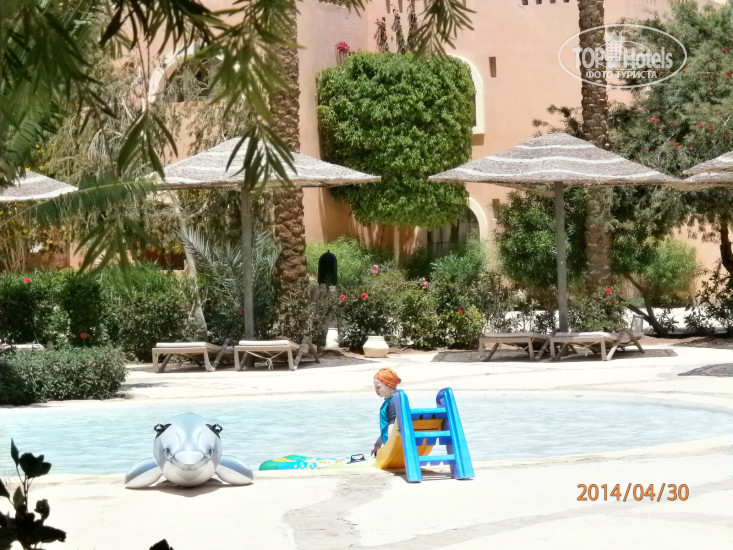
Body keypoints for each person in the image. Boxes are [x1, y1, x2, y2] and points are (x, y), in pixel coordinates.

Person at [371, 368, 401, 457]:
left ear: (389, 386)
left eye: (378, 387)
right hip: (393, 445)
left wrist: (390, 447)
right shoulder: (391, 401)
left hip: (393, 447)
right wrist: (378, 443)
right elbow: (386, 428)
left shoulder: (392, 403)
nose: (376, 390)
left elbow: (392, 426)